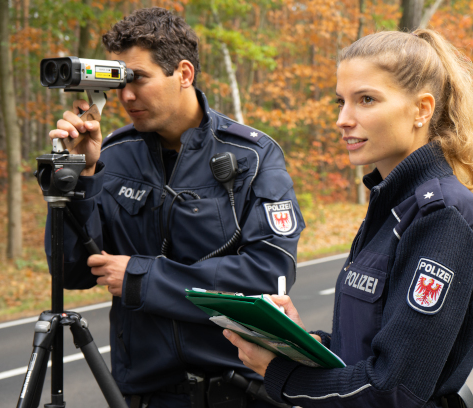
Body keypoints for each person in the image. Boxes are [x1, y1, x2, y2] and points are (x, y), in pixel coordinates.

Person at [46, 7, 304, 408]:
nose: (127, 95)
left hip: (238, 391)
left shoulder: (252, 156)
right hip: (145, 396)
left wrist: (142, 277)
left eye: (138, 79)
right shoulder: (112, 154)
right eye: (119, 80)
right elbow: (73, 272)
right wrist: (80, 174)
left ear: (183, 74)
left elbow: (268, 275)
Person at [224, 29, 473, 408]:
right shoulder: (391, 203)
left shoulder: (442, 216)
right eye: (341, 102)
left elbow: (392, 389)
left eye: (366, 100)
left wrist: (281, 375)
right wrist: (298, 340)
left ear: (422, 109)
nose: (343, 119)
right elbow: (367, 348)